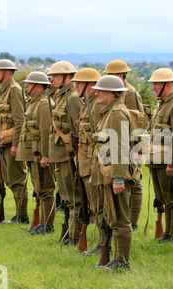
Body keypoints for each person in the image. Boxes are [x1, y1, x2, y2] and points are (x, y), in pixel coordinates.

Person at [90, 75, 133, 271]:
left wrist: (117, 177)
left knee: (120, 219)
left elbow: (121, 147)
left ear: (113, 93)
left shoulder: (116, 113)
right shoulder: (109, 111)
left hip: (115, 175)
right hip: (107, 172)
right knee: (112, 217)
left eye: (101, 90)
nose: (97, 92)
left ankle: (122, 263)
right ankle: (117, 260)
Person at [104, 60, 145, 230]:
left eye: (111, 75)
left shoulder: (130, 93)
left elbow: (138, 121)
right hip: (119, 142)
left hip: (129, 144)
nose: (108, 78)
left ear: (121, 75)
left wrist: (138, 149)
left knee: (135, 182)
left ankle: (133, 222)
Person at [146, 68, 173, 243]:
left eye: (156, 84)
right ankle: (168, 233)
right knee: (164, 197)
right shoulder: (162, 103)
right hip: (157, 159)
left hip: (168, 161)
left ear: (167, 85)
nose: (153, 87)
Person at [47, 61, 83, 245]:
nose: (51, 78)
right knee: (66, 198)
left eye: (56, 75)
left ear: (67, 77)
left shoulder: (73, 98)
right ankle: (69, 233)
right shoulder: (61, 97)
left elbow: (77, 130)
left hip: (67, 155)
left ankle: (75, 236)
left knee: (73, 198)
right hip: (58, 154)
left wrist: (76, 155)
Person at [17, 72, 56, 235]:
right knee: (40, 189)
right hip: (34, 152)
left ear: (38, 86)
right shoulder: (36, 102)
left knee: (45, 189)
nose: (26, 86)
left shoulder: (43, 104)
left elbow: (46, 132)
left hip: (40, 153)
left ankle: (47, 225)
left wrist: (45, 155)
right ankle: (42, 222)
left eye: (29, 83)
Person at [0, 59, 29, 224]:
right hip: (4, 142)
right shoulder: (5, 90)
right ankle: (19, 214)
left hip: (11, 142)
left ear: (6, 72)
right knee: (9, 179)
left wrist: (15, 144)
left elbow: (20, 120)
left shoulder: (14, 90)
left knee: (17, 179)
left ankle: (22, 216)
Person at [72, 68, 104, 253]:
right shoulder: (87, 104)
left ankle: (103, 243)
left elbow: (98, 138)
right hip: (84, 160)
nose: (76, 86)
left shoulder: (97, 106)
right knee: (92, 204)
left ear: (91, 85)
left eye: (80, 82)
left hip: (93, 162)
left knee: (98, 205)